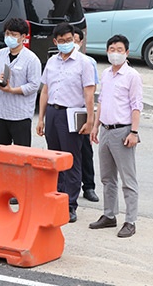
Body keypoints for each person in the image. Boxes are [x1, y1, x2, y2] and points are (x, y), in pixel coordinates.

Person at [36, 23, 95, 223]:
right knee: (55, 159)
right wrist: (41, 118)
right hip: (53, 112)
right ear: (55, 42)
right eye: (61, 41)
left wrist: (90, 119)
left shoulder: (84, 63)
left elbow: (89, 93)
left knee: (71, 160)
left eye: (69, 40)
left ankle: (70, 204)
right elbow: (45, 90)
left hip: (72, 114)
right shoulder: (52, 62)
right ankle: (57, 196)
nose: (65, 44)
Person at [89, 34, 143, 238]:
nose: (115, 53)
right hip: (105, 129)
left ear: (127, 53)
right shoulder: (106, 74)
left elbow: (137, 106)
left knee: (128, 179)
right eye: (112, 49)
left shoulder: (132, 76)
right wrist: (95, 126)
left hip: (123, 131)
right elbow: (101, 101)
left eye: (119, 50)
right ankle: (109, 215)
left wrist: (134, 132)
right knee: (106, 177)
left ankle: (131, 220)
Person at [0, 18, 41, 147]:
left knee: (21, 154)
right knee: (0, 152)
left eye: (13, 35)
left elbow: (34, 85)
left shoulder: (31, 59)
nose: (9, 37)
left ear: (23, 37)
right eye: (7, 34)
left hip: (20, 115)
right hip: (1, 112)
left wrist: (12, 90)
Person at [76, 32, 100, 203]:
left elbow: (92, 90)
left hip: (82, 111)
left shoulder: (88, 62)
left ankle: (89, 186)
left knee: (85, 150)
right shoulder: (57, 61)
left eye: (75, 41)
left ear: (81, 42)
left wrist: (91, 117)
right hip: (64, 112)